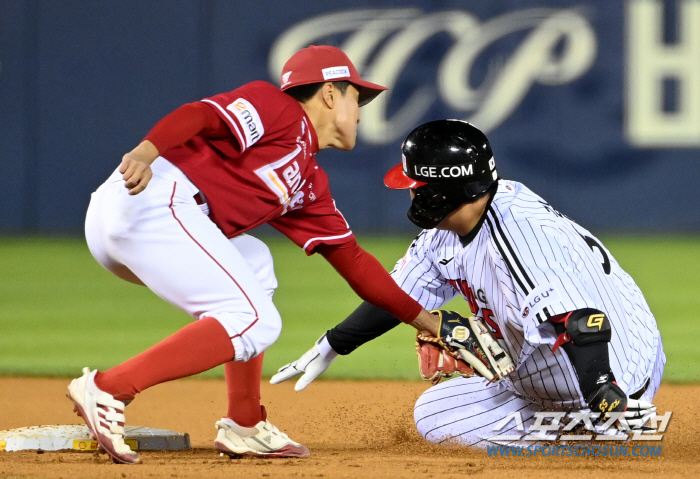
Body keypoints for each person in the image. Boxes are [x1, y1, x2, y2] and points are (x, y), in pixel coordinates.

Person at [68, 45, 442, 464]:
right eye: (357, 96)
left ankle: (243, 424)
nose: (360, 111)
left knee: (256, 263)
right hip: (149, 198)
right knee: (257, 320)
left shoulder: (309, 181)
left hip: (150, 224)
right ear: (331, 93)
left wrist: (431, 323)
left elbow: (354, 262)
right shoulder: (279, 108)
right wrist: (146, 150)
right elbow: (201, 115)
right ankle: (110, 387)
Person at [271, 119, 665, 447]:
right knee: (433, 412)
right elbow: (397, 295)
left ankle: (603, 429)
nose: (411, 193)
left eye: (419, 187)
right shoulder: (455, 224)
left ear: (450, 188)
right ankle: (576, 420)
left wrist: (603, 393)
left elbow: (583, 323)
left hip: (607, 371)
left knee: (448, 425)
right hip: (582, 354)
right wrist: (333, 343)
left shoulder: (515, 237)